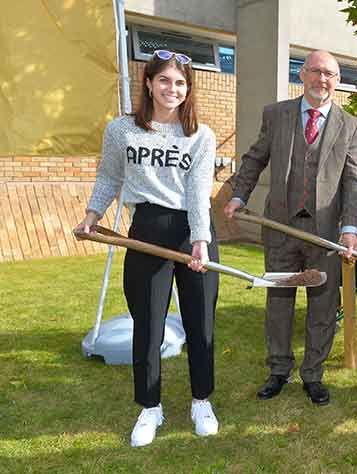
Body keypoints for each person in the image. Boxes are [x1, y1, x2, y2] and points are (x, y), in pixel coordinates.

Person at [75, 50, 219, 447]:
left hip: (193, 229)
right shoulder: (123, 130)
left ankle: (201, 401)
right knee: (149, 323)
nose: (172, 89)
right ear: (149, 83)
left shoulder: (200, 135)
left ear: (188, 89)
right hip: (146, 230)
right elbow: (109, 175)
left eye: (180, 82)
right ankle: (150, 406)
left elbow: (198, 191)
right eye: (165, 81)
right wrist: (92, 215)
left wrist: (200, 241)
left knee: (200, 322)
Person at [223, 50, 357, 406]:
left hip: (325, 235)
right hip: (280, 228)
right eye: (316, 71)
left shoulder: (350, 126)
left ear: (338, 81)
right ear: (302, 74)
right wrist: (239, 196)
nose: (323, 79)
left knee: (322, 306)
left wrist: (350, 229)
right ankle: (279, 370)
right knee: (279, 302)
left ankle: (313, 375)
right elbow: (255, 158)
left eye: (330, 74)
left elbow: (353, 181)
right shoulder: (277, 114)